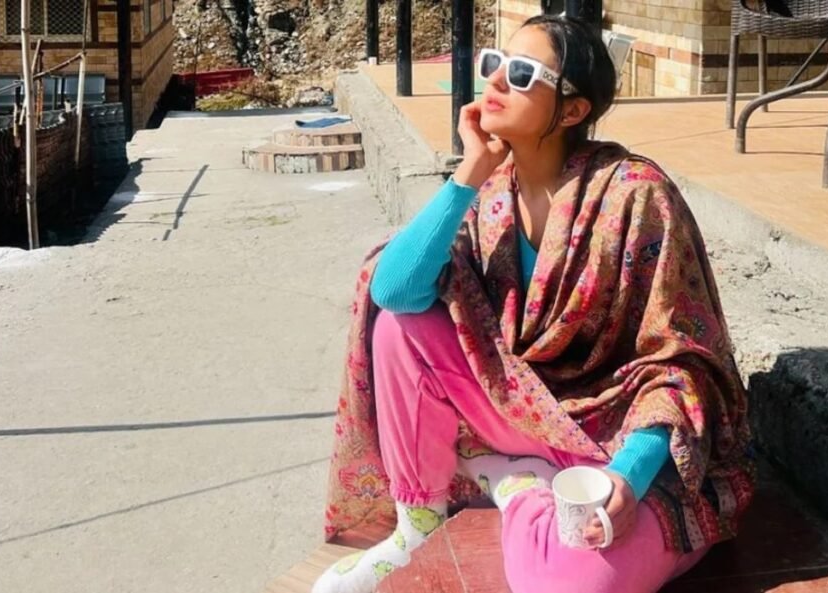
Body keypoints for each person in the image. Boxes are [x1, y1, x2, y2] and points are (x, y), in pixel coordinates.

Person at [313, 15, 755, 593]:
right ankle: (418, 523)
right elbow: (394, 290)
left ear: (572, 110)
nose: (495, 80)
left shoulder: (634, 196)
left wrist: (627, 478)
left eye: (522, 73)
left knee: (573, 583)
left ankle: (515, 487)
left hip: (623, 443)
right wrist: (469, 171)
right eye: (494, 62)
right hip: (527, 416)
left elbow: (682, 366)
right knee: (402, 325)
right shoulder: (491, 195)